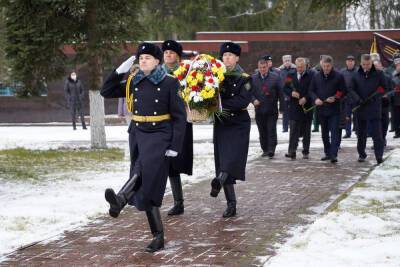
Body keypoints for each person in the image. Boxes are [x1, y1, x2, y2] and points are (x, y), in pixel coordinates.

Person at [100, 42, 187, 252]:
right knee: (145, 183)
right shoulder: (133, 81)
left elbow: (179, 117)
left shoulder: (169, 83)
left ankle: (121, 200)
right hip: (138, 133)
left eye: (147, 58)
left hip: (160, 135)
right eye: (140, 58)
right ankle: (157, 235)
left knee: (144, 172)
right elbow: (106, 90)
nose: (143, 61)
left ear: (157, 61)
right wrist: (120, 69)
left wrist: (175, 145)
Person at [210, 42, 252, 218]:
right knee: (222, 161)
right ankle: (231, 203)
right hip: (222, 123)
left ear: (237, 58)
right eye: (224, 55)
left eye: (229, 55)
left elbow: (242, 101)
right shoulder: (215, 77)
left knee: (231, 158)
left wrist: (219, 105)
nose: (226, 58)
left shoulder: (245, 78)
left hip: (239, 123)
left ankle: (219, 181)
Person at [161, 40, 194, 216]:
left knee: (175, 162)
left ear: (178, 56)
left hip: (180, 122)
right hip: (161, 122)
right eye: (165, 52)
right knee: (164, 163)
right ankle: (173, 201)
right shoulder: (157, 72)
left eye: (171, 52)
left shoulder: (185, 74)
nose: (168, 55)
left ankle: (178, 202)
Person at [351, 54, 388, 164]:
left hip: (374, 107)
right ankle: (362, 154)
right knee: (361, 134)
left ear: (371, 63)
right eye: (364, 64)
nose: (366, 67)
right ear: (361, 63)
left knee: (377, 134)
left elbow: (384, 88)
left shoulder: (379, 74)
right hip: (360, 107)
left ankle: (379, 155)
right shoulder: (356, 75)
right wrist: (358, 99)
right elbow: (351, 89)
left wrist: (374, 98)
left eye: (368, 64)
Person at [309, 55, 347, 163]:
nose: (326, 68)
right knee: (324, 133)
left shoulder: (338, 76)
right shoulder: (316, 76)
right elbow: (311, 91)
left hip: (334, 109)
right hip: (321, 109)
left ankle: (334, 154)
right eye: (324, 66)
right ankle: (327, 152)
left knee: (334, 132)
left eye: (328, 66)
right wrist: (316, 99)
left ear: (332, 65)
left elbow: (343, 91)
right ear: (321, 65)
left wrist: (335, 97)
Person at [252, 56, 284, 158]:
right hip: (259, 109)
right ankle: (265, 149)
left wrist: (282, 108)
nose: (262, 69)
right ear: (258, 67)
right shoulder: (253, 78)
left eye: (264, 67)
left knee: (271, 130)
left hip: (271, 109)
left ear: (267, 67)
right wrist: (253, 100)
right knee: (262, 130)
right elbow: (249, 92)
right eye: (260, 67)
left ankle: (271, 149)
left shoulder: (275, 77)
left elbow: (281, 93)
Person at [284, 57, 314, 159]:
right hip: (294, 107)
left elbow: (313, 90)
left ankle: (305, 151)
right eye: (298, 67)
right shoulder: (290, 75)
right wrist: (291, 93)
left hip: (307, 107)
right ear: (295, 66)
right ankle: (292, 151)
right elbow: (285, 87)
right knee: (293, 130)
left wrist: (306, 98)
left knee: (306, 131)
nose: (300, 69)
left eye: (302, 67)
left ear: (306, 66)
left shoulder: (311, 75)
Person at [340, 55, 358, 138]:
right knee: (347, 116)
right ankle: (348, 132)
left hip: (356, 98)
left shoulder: (358, 71)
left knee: (357, 116)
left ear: (354, 62)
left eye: (352, 61)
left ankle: (358, 131)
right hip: (346, 98)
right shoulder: (342, 72)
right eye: (348, 61)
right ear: (346, 62)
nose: (350, 62)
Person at [279, 55, 296, 133]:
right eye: (286, 61)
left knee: (293, 111)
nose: (287, 62)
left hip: (293, 93)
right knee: (285, 112)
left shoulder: (295, 69)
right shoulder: (280, 70)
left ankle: (293, 126)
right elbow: (280, 83)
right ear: (283, 62)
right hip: (284, 94)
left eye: (288, 60)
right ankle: (285, 127)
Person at [391, 53, 400, 138]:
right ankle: (397, 132)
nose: (398, 67)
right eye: (397, 65)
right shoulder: (393, 75)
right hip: (395, 100)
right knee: (396, 117)